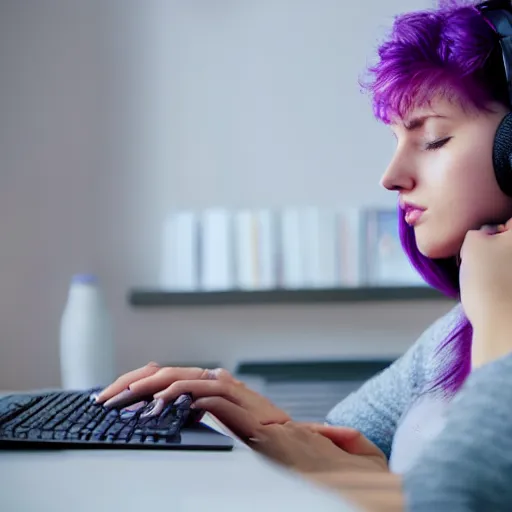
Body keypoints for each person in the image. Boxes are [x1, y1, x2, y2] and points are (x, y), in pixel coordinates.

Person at [95, 0, 512, 509]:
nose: (390, 176)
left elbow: (460, 497)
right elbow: (343, 441)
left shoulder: (493, 313)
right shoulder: (452, 335)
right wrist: (274, 428)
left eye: (432, 139)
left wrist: (501, 324)